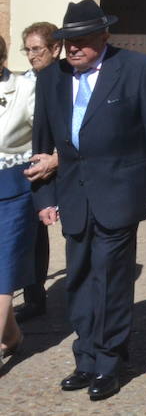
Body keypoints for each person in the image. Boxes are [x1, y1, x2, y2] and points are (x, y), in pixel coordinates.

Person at [29, 0, 146, 401]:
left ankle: (110, 362)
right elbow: (41, 145)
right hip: (73, 196)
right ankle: (86, 357)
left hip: (119, 192)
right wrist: (44, 195)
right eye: (66, 41)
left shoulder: (136, 69)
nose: (73, 48)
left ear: (104, 35)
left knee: (112, 278)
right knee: (78, 279)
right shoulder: (52, 79)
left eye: (81, 40)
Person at [17, 20, 58, 322]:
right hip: (24, 163)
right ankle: (32, 294)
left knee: (38, 232)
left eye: (37, 49)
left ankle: (36, 296)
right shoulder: (22, 81)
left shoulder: (65, 80)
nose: (32, 55)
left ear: (55, 48)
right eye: (27, 50)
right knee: (27, 230)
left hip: (56, 163)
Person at [0, 36, 37, 361]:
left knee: (4, 270)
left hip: (12, 189)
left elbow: (46, 135)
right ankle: (11, 335)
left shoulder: (24, 89)